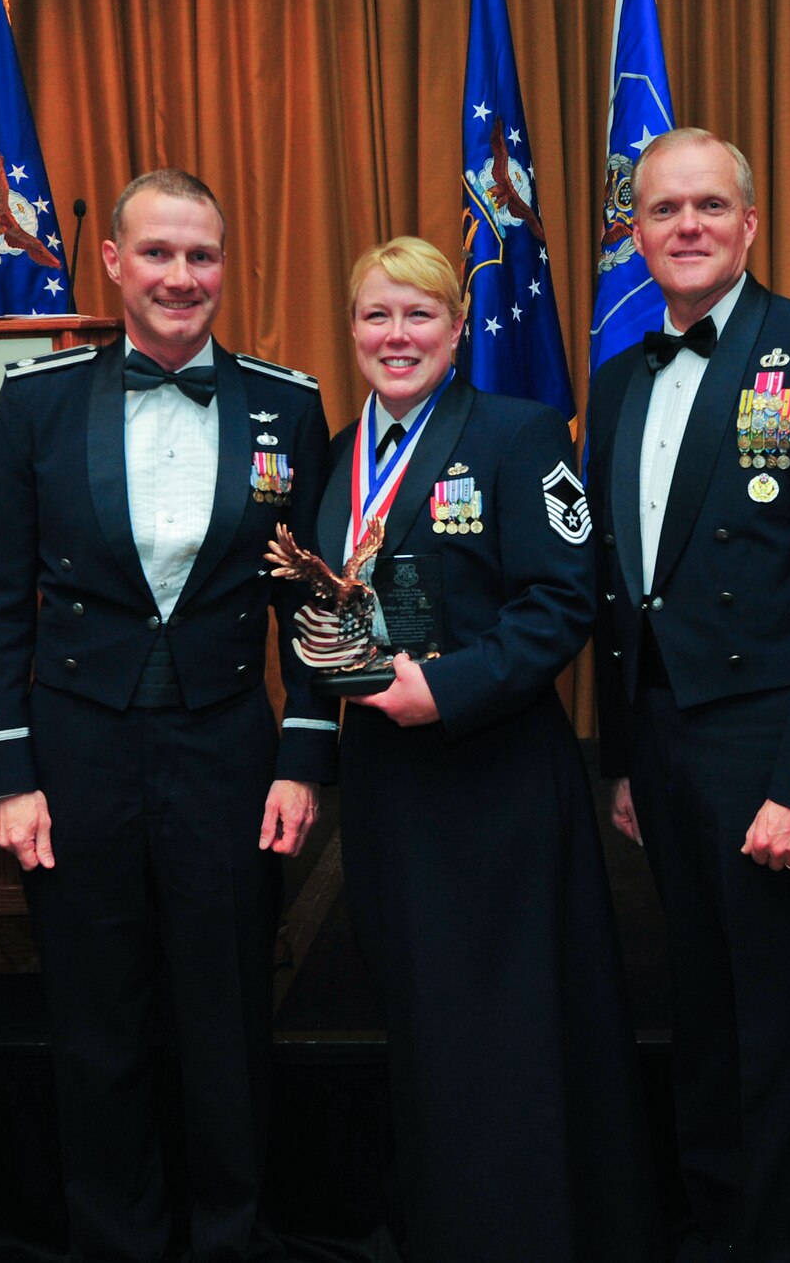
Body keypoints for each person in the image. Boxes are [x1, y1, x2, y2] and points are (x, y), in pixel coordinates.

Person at [0, 168, 333, 1262]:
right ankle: (115, 1238)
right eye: (158, 252)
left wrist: (304, 753)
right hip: (73, 750)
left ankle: (229, 1233)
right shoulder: (35, 399)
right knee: (96, 1017)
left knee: (226, 1016)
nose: (182, 275)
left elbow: (312, 597)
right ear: (114, 262)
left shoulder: (287, 402)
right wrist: (3, 777)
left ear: (226, 264)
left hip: (226, 741)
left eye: (202, 255)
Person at [287, 236, 653, 1260]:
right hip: (387, 782)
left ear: (456, 328)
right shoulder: (331, 448)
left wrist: (441, 687)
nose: (395, 336)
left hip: (493, 779)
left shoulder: (520, 433)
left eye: (418, 315)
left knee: (510, 1027)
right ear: (350, 328)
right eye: (374, 315)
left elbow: (562, 599)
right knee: (424, 1024)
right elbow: (313, 604)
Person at [586, 127, 790, 1261]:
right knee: (706, 1019)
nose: (685, 226)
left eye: (709, 207)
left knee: (781, 1033)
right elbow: (626, 587)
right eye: (664, 209)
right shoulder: (617, 379)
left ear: (750, 225)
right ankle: (721, 1230)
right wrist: (622, 754)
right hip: (666, 748)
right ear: (634, 232)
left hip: (773, 750)